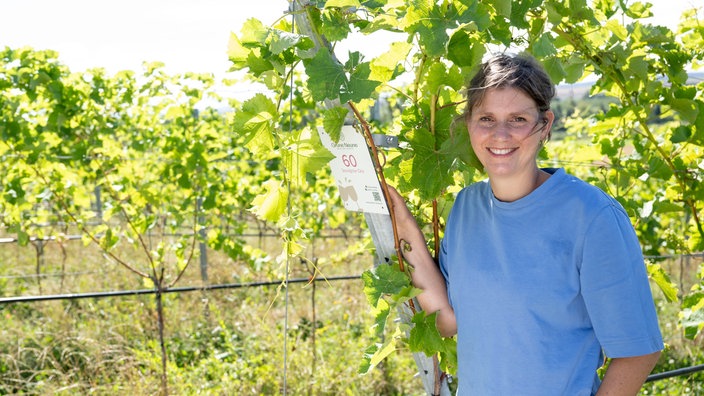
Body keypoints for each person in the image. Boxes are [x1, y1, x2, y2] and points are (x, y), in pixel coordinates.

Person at [387, 53, 663, 395]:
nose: (500, 134)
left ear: (544, 125)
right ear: (468, 124)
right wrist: (406, 229)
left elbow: (639, 351)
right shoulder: (466, 207)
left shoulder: (592, 217)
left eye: (517, 118)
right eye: (486, 118)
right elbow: (448, 321)